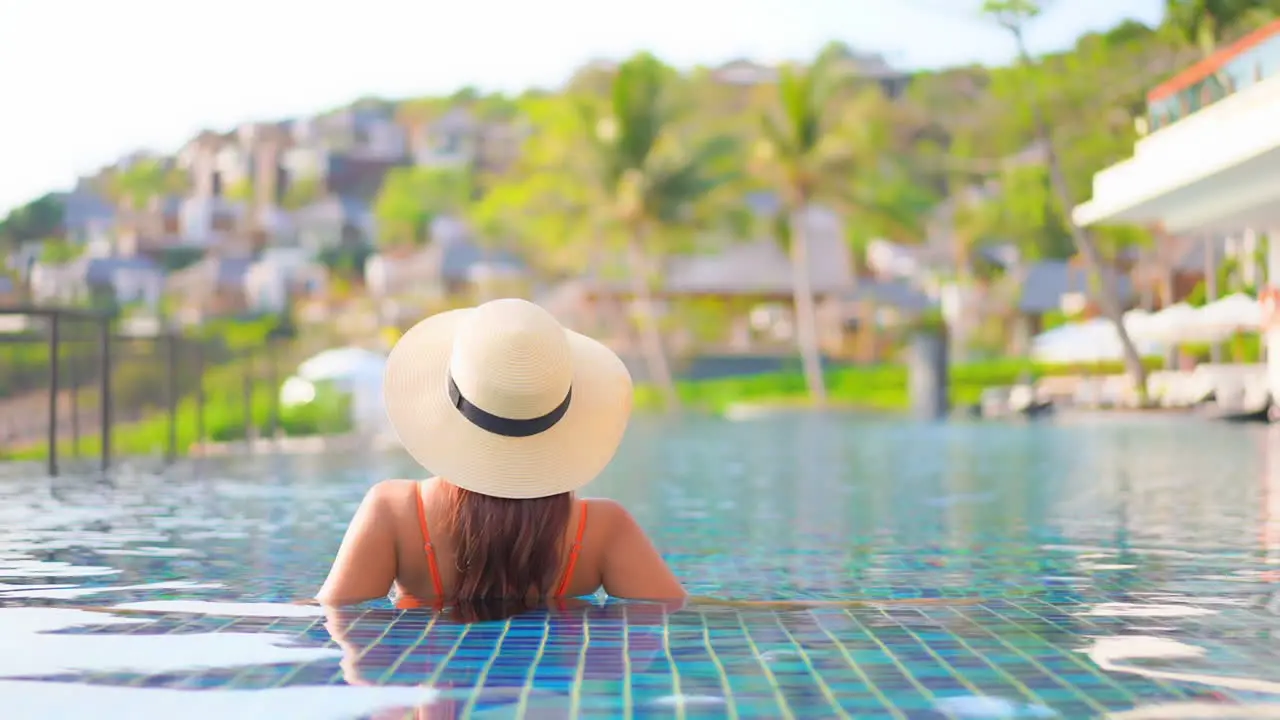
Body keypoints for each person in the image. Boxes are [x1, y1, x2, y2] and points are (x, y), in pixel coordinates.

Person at [316, 298, 685, 612]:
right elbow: (680, 620)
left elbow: (338, 624)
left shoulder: (395, 513)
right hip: (551, 693)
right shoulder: (602, 530)